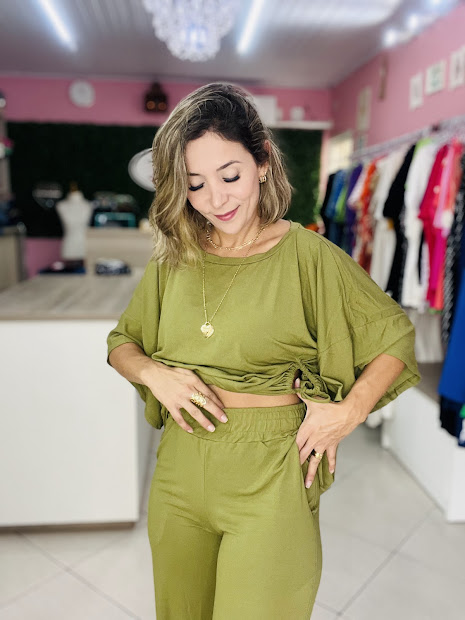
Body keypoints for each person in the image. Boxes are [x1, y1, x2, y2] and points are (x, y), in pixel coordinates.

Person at [106, 82, 420, 619]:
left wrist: (349, 412)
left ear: (263, 162)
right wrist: (155, 374)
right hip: (181, 468)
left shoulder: (308, 256)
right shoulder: (174, 258)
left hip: (271, 471)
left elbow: (393, 337)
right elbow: (123, 343)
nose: (216, 199)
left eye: (229, 176)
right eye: (196, 184)